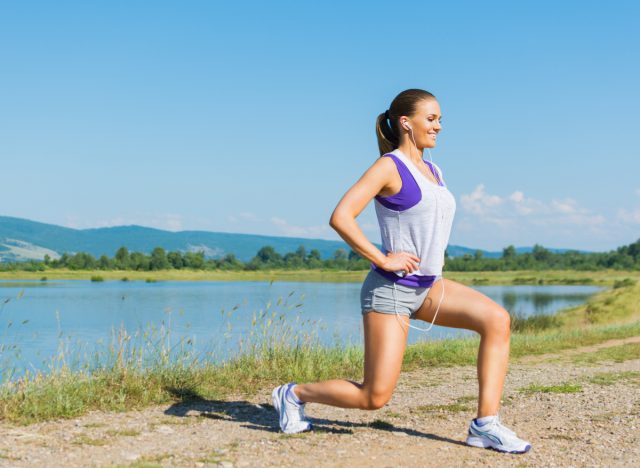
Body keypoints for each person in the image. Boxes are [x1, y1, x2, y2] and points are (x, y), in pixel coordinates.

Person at [271, 89, 531, 454]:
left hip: (429, 287)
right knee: (374, 396)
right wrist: (382, 258)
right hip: (390, 290)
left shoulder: (433, 170)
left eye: (440, 119)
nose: (439, 126)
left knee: (497, 320)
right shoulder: (389, 166)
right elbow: (341, 217)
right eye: (432, 118)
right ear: (406, 123)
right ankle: (293, 394)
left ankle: (485, 425)